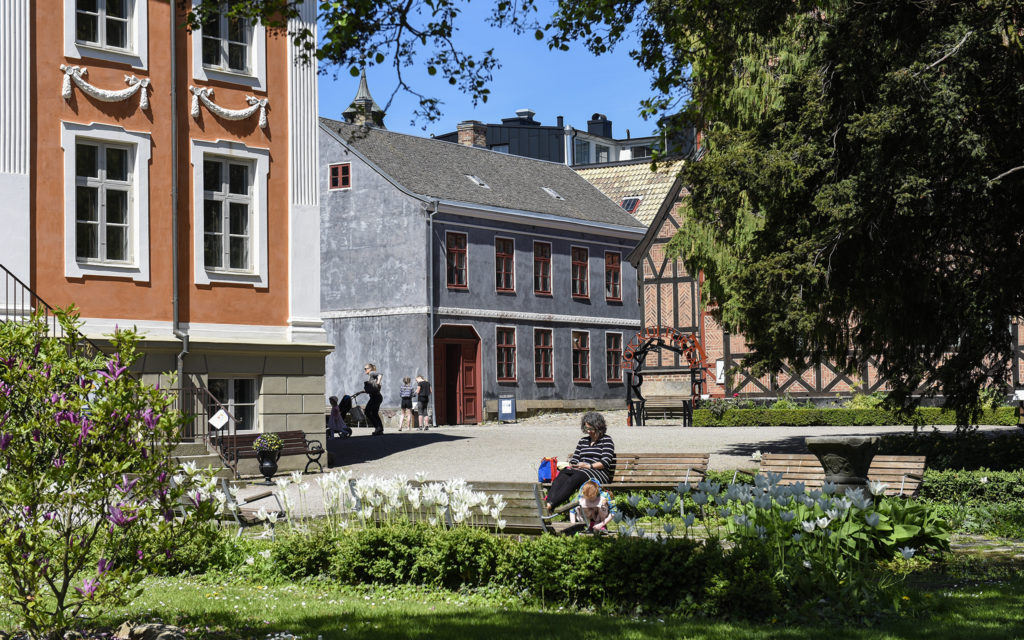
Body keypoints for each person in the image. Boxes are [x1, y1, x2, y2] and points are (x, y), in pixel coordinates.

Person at [544, 411, 615, 512]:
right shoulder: (583, 441)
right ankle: (548, 503)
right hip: (581, 470)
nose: (589, 431)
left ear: (599, 427)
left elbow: (605, 462)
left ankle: (551, 505)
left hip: (598, 472)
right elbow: (575, 458)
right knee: (563, 474)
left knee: (575, 478)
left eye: (591, 428)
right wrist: (573, 464)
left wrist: (588, 466)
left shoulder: (606, 440)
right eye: (586, 428)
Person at [354, 363, 384, 435]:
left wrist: (378, 383)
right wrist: (361, 392)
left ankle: (378, 428)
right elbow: (372, 389)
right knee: (374, 413)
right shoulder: (371, 376)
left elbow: (380, 374)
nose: (365, 370)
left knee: (367, 411)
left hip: (376, 397)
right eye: (364, 368)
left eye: (366, 368)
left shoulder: (372, 373)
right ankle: (379, 429)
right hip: (376, 397)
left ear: (370, 369)